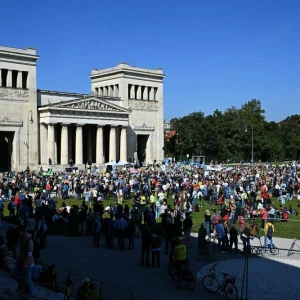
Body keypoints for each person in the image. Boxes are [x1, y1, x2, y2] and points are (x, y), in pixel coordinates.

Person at [12, 225, 35, 299]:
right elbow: (21, 251)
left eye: (19, 232)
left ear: (23, 231)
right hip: (21, 261)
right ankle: (24, 285)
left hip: (28, 263)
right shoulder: (21, 238)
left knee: (28, 279)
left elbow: (29, 255)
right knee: (15, 275)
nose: (18, 234)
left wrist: (24, 266)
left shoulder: (29, 241)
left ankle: (31, 294)